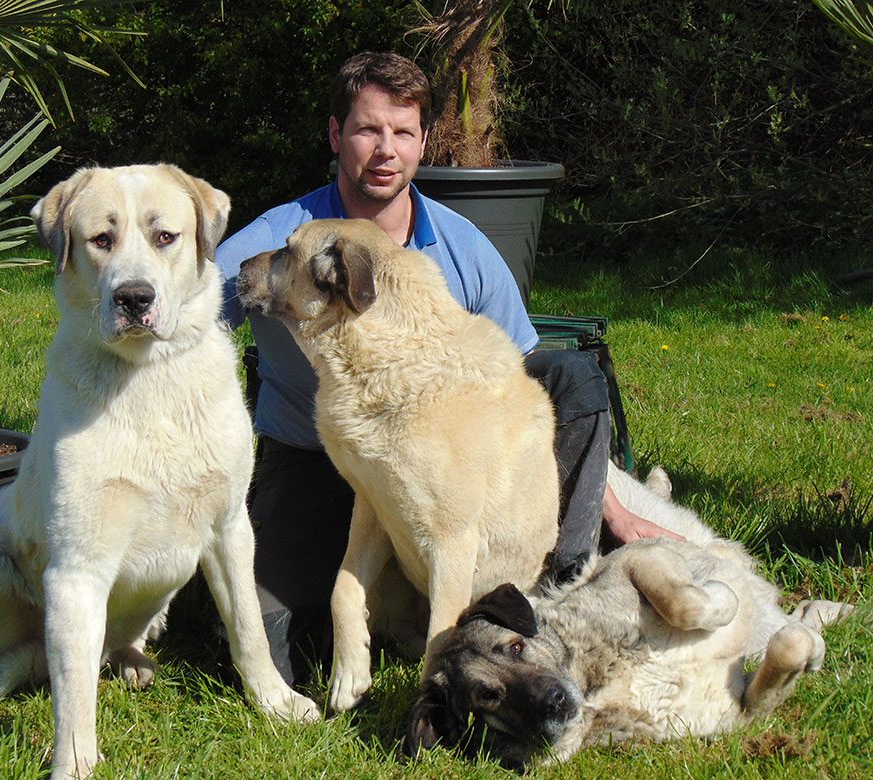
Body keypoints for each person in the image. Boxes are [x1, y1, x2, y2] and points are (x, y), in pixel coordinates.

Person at [217, 51, 679, 685]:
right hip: (314, 465)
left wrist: (612, 507)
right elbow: (188, 311)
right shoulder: (288, 237)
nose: (385, 149)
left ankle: (563, 580)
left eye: (402, 133)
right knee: (275, 652)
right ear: (335, 134)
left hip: (440, 467)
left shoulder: (462, 245)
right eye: (367, 130)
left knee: (570, 377)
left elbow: (520, 380)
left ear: (423, 141)